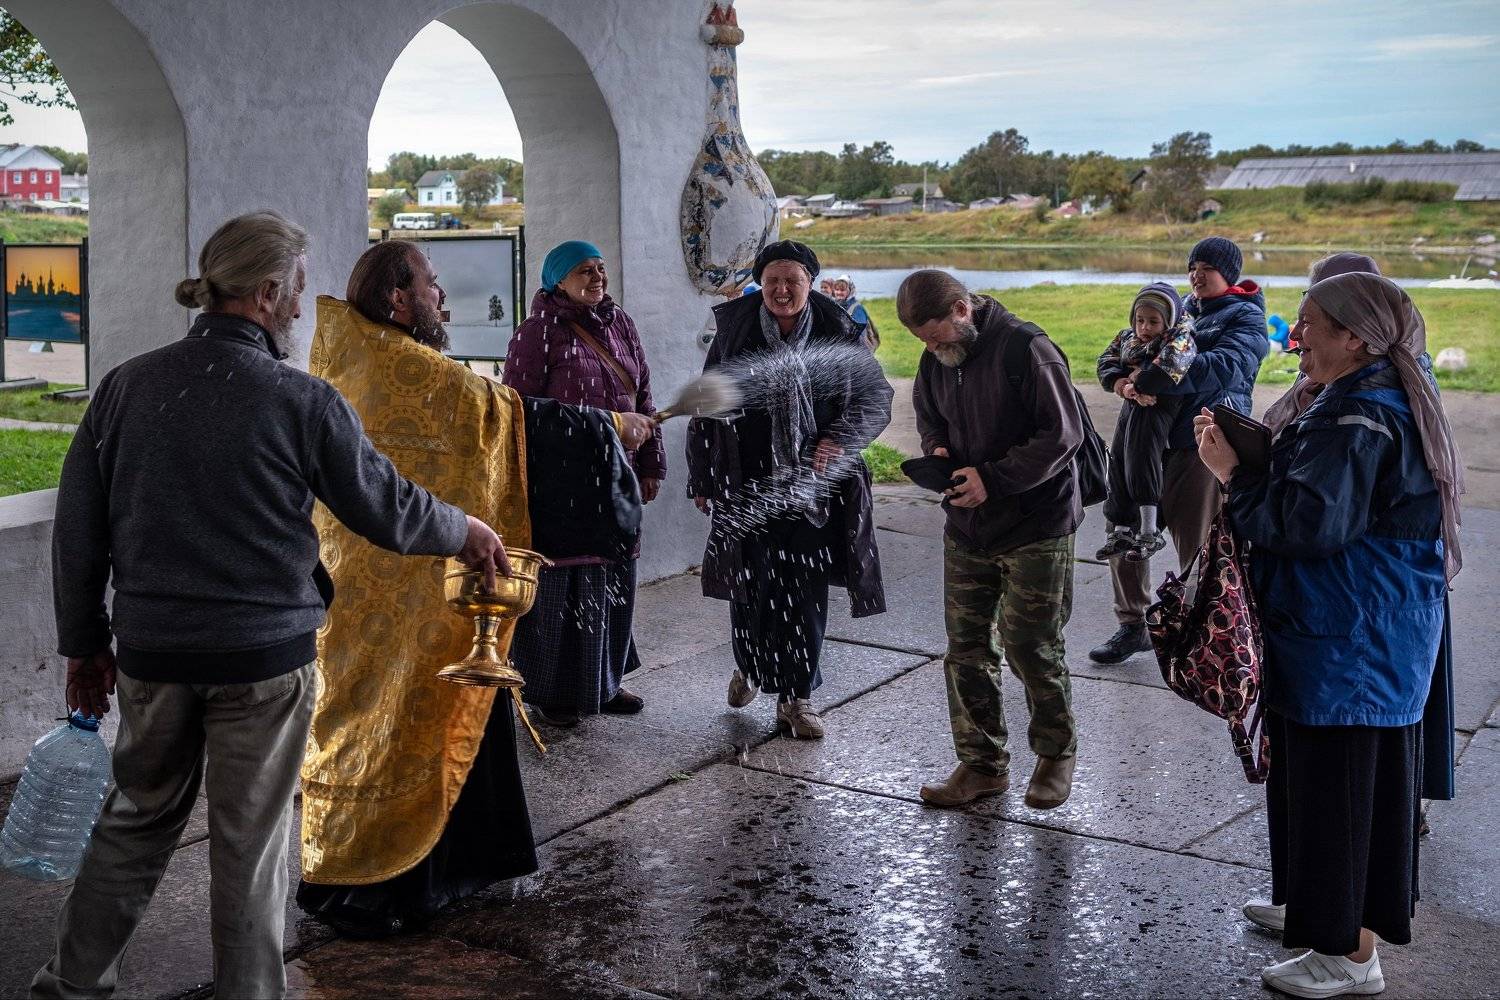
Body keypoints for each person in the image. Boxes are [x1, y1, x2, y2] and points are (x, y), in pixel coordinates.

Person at [33, 212, 506, 999]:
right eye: (291, 293)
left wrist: (85, 647)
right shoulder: (299, 399)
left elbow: (79, 533)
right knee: (250, 845)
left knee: (133, 822)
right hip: (261, 663)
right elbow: (383, 505)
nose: (297, 309)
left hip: (151, 656)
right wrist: (466, 529)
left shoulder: (126, 386)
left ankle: (70, 985)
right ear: (261, 294)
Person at [297, 241, 652, 937]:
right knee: (407, 719)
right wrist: (611, 428)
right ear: (398, 298)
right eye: (431, 284)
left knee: (426, 712)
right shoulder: (404, 367)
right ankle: (388, 885)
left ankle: (443, 867)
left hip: (377, 586)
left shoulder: (357, 357)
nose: (444, 299)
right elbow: (507, 417)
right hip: (406, 590)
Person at [1196, 271, 1462, 998]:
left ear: (1357, 337)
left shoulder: (1359, 415)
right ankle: (1315, 916)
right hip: (1353, 628)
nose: (1297, 336)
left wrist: (1232, 475)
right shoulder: (1358, 397)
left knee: (1345, 795)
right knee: (1323, 788)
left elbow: (1310, 526)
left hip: (1352, 637)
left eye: (1311, 324)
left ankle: (1347, 954)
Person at [687, 240, 892, 740]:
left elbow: (875, 397)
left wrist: (840, 438)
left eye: (793, 281)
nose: (782, 290)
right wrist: (703, 475)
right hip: (747, 483)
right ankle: (749, 666)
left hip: (813, 491)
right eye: (773, 280)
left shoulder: (839, 331)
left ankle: (796, 698)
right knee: (750, 584)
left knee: (804, 592)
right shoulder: (736, 332)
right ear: (761, 283)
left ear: (810, 284)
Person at [899, 269, 1085, 810]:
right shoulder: (937, 354)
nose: (933, 349)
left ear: (962, 309)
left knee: (1031, 645)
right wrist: (937, 452)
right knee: (966, 650)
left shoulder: (1028, 348)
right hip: (968, 524)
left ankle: (1056, 753)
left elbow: (1062, 436)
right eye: (924, 343)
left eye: (938, 336)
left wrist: (994, 479)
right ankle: (982, 765)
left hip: (1035, 524)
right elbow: (929, 413)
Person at [502, 240, 665, 727]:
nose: (596, 278)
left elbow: (645, 393)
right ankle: (555, 693)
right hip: (563, 482)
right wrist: (607, 422)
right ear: (557, 281)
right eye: (582, 271)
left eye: (599, 268)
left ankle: (605, 682)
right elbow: (519, 411)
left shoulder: (622, 325)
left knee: (613, 577)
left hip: (618, 477)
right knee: (565, 583)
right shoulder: (537, 333)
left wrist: (651, 463)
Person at [1089, 236, 1268, 665]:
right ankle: (1132, 625)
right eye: (1192, 267)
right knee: (1127, 530)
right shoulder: (1178, 308)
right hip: (1146, 443)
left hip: (1200, 445)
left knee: (1199, 545)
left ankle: (1204, 632)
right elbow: (1125, 346)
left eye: (1207, 267)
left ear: (1229, 272)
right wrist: (1122, 380)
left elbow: (1224, 367)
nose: (1196, 274)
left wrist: (1152, 375)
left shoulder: (1248, 319)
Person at [1095, 282, 1198, 562]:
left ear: (1168, 320)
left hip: (1158, 408)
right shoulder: (1128, 338)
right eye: (1140, 320)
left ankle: (1149, 531)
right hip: (1133, 404)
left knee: (1142, 460)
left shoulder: (1181, 338)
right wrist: (1124, 384)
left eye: (1153, 321)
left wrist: (1137, 379)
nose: (1145, 328)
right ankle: (1120, 529)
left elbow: (1162, 375)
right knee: (1118, 460)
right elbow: (1105, 362)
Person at [832, 273, 879, 350]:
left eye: (842, 290)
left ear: (850, 290)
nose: (839, 293)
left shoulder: (857, 309)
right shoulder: (835, 305)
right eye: (837, 289)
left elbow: (860, 337)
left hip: (858, 352)